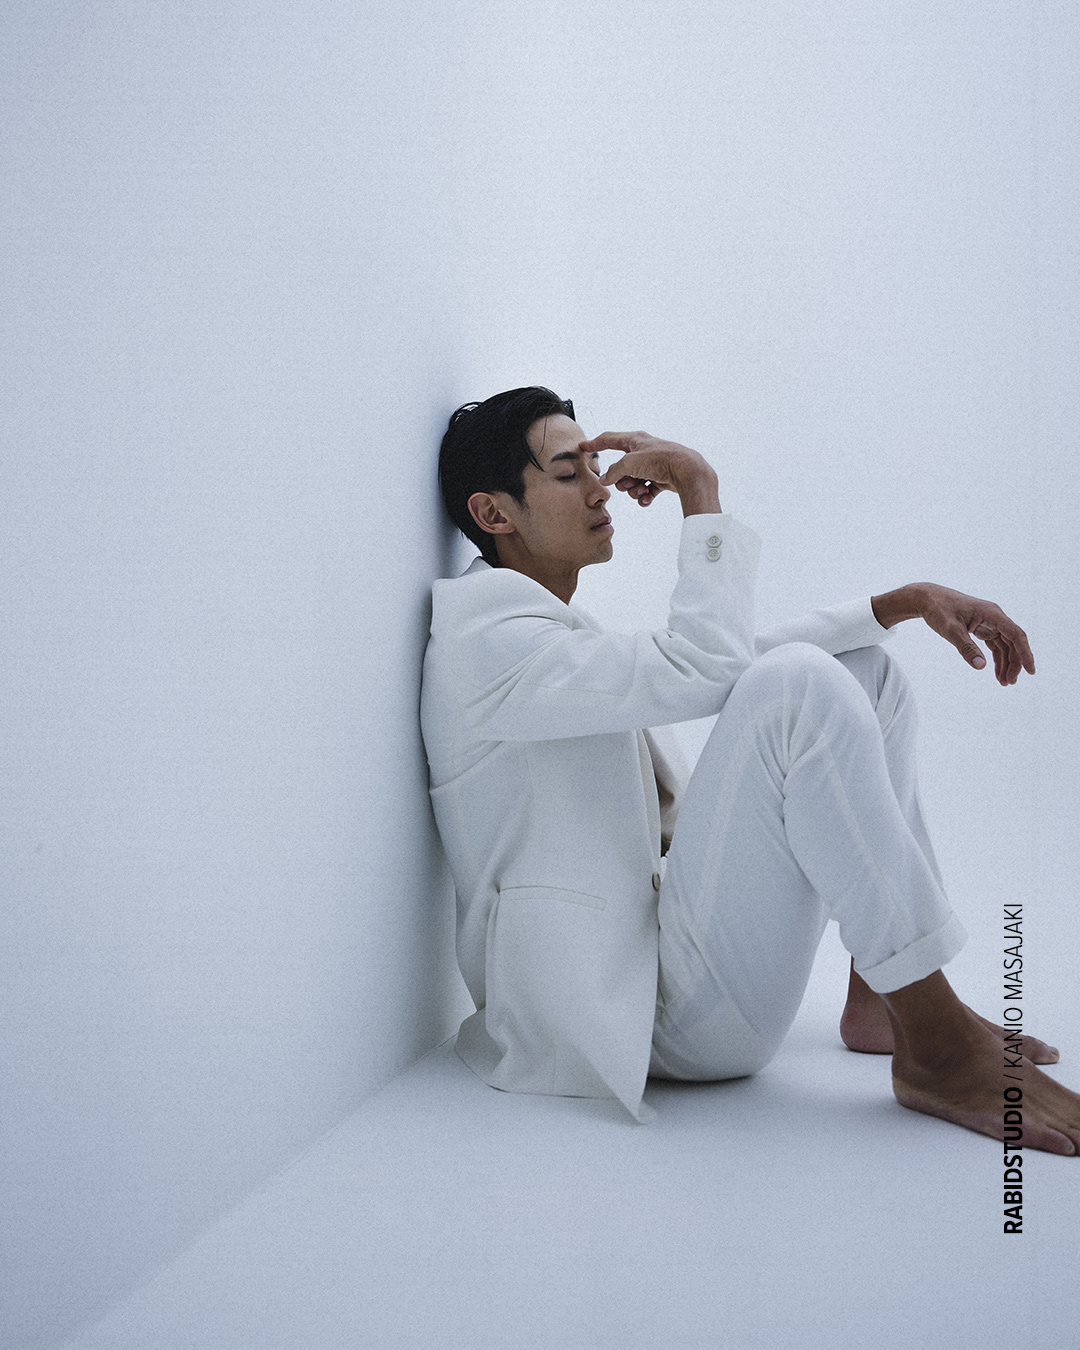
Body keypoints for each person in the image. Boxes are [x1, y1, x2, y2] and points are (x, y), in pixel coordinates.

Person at [420, 385, 1080, 1153]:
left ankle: (881, 996)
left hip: (663, 958)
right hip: (635, 1017)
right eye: (569, 474)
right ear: (494, 513)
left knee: (863, 673)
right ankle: (936, 1044)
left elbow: (723, 666)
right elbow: (708, 667)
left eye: (595, 467)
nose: (599, 489)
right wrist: (699, 490)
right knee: (802, 683)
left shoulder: (538, 632)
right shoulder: (488, 640)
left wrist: (896, 604)